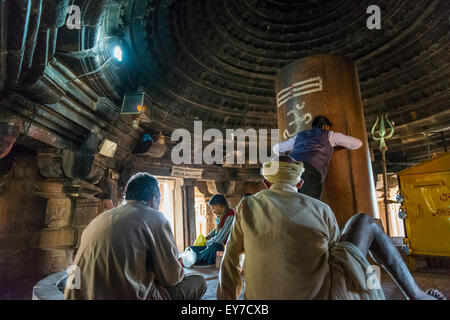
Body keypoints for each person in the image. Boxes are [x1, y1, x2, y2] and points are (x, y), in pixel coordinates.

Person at [217, 156, 446, 300]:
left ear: (266, 183)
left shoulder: (247, 206)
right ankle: (416, 295)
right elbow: (343, 260)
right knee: (364, 223)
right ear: (300, 183)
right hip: (324, 295)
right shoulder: (320, 208)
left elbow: (230, 263)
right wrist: (371, 287)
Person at [64, 172, 206, 300]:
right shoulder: (155, 217)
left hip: (82, 295)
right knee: (198, 282)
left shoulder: (100, 218)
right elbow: (172, 278)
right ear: (155, 198)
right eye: (159, 199)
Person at [273, 115, 363, 199]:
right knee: (310, 205)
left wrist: (285, 157)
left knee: (287, 202)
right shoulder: (330, 135)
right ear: (326, 126)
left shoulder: (300, 135)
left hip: (290, 169)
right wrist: (340, 145)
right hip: (310, 170)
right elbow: (358, 144)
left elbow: (276, 148)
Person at [189, 194, 235, 266]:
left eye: (213, 208)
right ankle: (197, 257)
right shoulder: (222, 216)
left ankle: (195, 259)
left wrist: (206, 243)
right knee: (192, 249)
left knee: (213, 247)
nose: (213, 211)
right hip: (216, 244)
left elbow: (219, 239)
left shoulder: (230, 216)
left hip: (224, 247)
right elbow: (217, 229)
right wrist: (207, 237)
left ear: (219, 205)